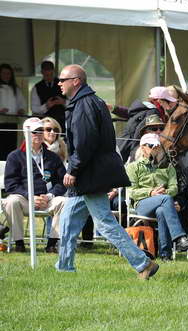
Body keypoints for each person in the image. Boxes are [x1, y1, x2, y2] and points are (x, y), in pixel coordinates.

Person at [54, 64, 158, 279]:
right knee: (67, 221)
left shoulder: (84, 105)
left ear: (76, 81)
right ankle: (64, 269)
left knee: (104, 223)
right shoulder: (91, 101)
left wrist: (72, 169)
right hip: (90, 174)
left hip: (89, 174)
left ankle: (143, 263)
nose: (59, 83)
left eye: (63, 79)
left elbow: (84, 144)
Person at [126, 133, 188, 260]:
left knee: (162, 210)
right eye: (151, 145)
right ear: (142, 148)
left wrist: (164, 194)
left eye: (158, 146)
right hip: (142, 204)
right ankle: (180, 238)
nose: (155, 148)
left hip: (163, 202)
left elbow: (174, 188)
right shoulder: (132, 167)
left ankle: (165, 255)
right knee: (166, 201)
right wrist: (151, 192)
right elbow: (131, 191)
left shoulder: (168, 166)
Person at [2, 118, 66, 253]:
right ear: (26, 134)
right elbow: (11, 185)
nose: (38, 134)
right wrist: (30, 196)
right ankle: (19, 243)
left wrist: (49, 196)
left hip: (47, 200)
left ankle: (52, 244)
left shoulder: (53, 157)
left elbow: (62, 182)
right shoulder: (14, 156)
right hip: (25, 199)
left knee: (64, 201)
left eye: (41, 131)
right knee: (11, 201)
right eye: (35, 131)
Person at [117, 86, 178, 162]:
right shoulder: (153, 112)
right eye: (168, 102)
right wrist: (133, 157)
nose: (169, 105)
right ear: (160, 101)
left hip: (123, 146)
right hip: (132, 150)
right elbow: (138, 134)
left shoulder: (144, 108)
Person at [30, 61, 66, 127]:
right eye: (46, 75)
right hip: (44, 123)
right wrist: (46, 106)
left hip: (62, 121)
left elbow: (74, 104)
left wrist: (63, 102)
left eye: (51, 74)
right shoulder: (36, 88)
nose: (49, 77)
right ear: (42, 73)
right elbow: (34, 109)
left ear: (54, 72)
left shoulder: (63, 84)